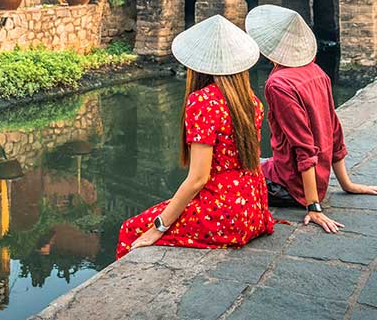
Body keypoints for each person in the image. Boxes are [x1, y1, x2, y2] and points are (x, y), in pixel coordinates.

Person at [117, 15, 274, 257]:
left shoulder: (203, 102)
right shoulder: (250, 101)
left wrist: (159, 227)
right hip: (254, 207)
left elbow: (198, 178)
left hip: (224, 214)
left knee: (130, 230)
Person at [246, 4, 377, 234]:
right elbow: (334, 130)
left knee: (227, 175)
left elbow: (303, 146)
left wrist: (313, 207)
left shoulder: (278, 84)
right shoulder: (317, 72)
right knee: (259, 161)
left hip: (291, 186)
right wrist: (346, 184)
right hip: (312, 179)